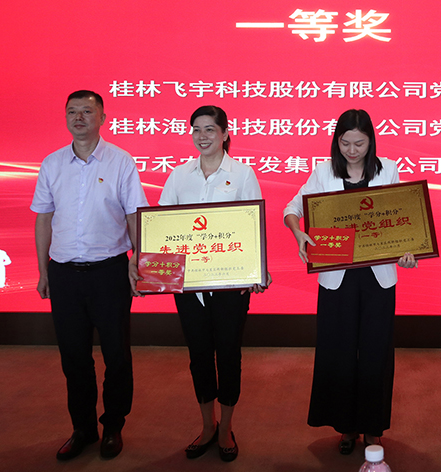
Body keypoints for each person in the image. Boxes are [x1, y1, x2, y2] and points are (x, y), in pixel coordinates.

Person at [283, 109, 417, 454]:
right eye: (345, 143)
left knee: (376, 351)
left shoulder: (388, 169)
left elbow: (404, 218)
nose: (352, 150)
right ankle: (346, 426)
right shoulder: (323, 171)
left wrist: (409, 250)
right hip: (336, 277)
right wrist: (299, 233)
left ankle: (372, 427)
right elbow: (292, 209)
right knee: (339, 350)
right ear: (336, 141)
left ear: (371, 141)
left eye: (360, 143)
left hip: (378, 277)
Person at [31, 90, 148, 461]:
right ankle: (82, 428)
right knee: (74, 357)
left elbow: (134, 214)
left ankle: (113, 425)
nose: (78, 117)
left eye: (86, 111)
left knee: (117, 355)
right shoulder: (52, 163)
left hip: (109, 272)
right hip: (64, 273)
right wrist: (43, 270)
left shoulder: (120, 161)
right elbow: (44, 217)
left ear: (103, 118)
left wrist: (138, 259)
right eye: (72, 111)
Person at [157, 105, 269, 462]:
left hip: (230, 287)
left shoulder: (242, 174)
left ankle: (226, 428)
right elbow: (161, 227)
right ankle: (207, 424)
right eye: (197, 129)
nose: (202, 136)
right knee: (199, 356)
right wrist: (154, 273)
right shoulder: (178, 176)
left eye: (210, 129)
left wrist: (257, 270)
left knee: (229, 355)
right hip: (189, 287)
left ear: (224, 133)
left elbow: (252, 225)